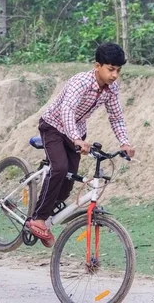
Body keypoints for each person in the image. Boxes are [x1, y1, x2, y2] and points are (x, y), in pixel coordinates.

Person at [26, 42, 135, 247]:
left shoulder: (111, 89)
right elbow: (67, 110)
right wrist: (76, 138)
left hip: (76, 131)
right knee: (59, 168)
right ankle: (38, 218)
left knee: (70, 179)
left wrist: (125, 142)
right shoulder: (80, 82)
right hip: (54, 126)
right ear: (97, 66)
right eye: (111, 69)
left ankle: (48, 212)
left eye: (118, 71)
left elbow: (116, 117)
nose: (114, 75)